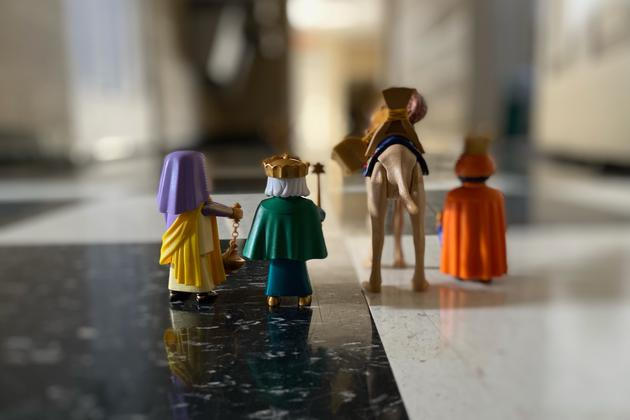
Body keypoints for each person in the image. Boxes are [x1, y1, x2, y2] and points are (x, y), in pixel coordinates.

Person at [157, 151, 243, 304]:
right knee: (199, 264)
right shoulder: (197, 202)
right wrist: (233, 212)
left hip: (176, 244)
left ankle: (177, 291)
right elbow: (209, 208)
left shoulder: (170, 204)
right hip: (197, 243)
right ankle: (202, 293)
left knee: (177, 265)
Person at [243, 154, 327, 307]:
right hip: (298, 252)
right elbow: (321, 215)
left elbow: (258, 232)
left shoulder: (265, 206)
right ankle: (303, 296)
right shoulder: (307, 206)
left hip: (276, 253)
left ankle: (273, 296)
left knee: (276, 271)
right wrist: (317, 215)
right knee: (299, 271)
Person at [440, 136, 508, 282]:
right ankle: (485, 272)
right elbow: (499, 228)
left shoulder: (454, 196)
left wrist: (440, 219)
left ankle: (461, 270)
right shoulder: (496, 196)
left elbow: (448, 226)